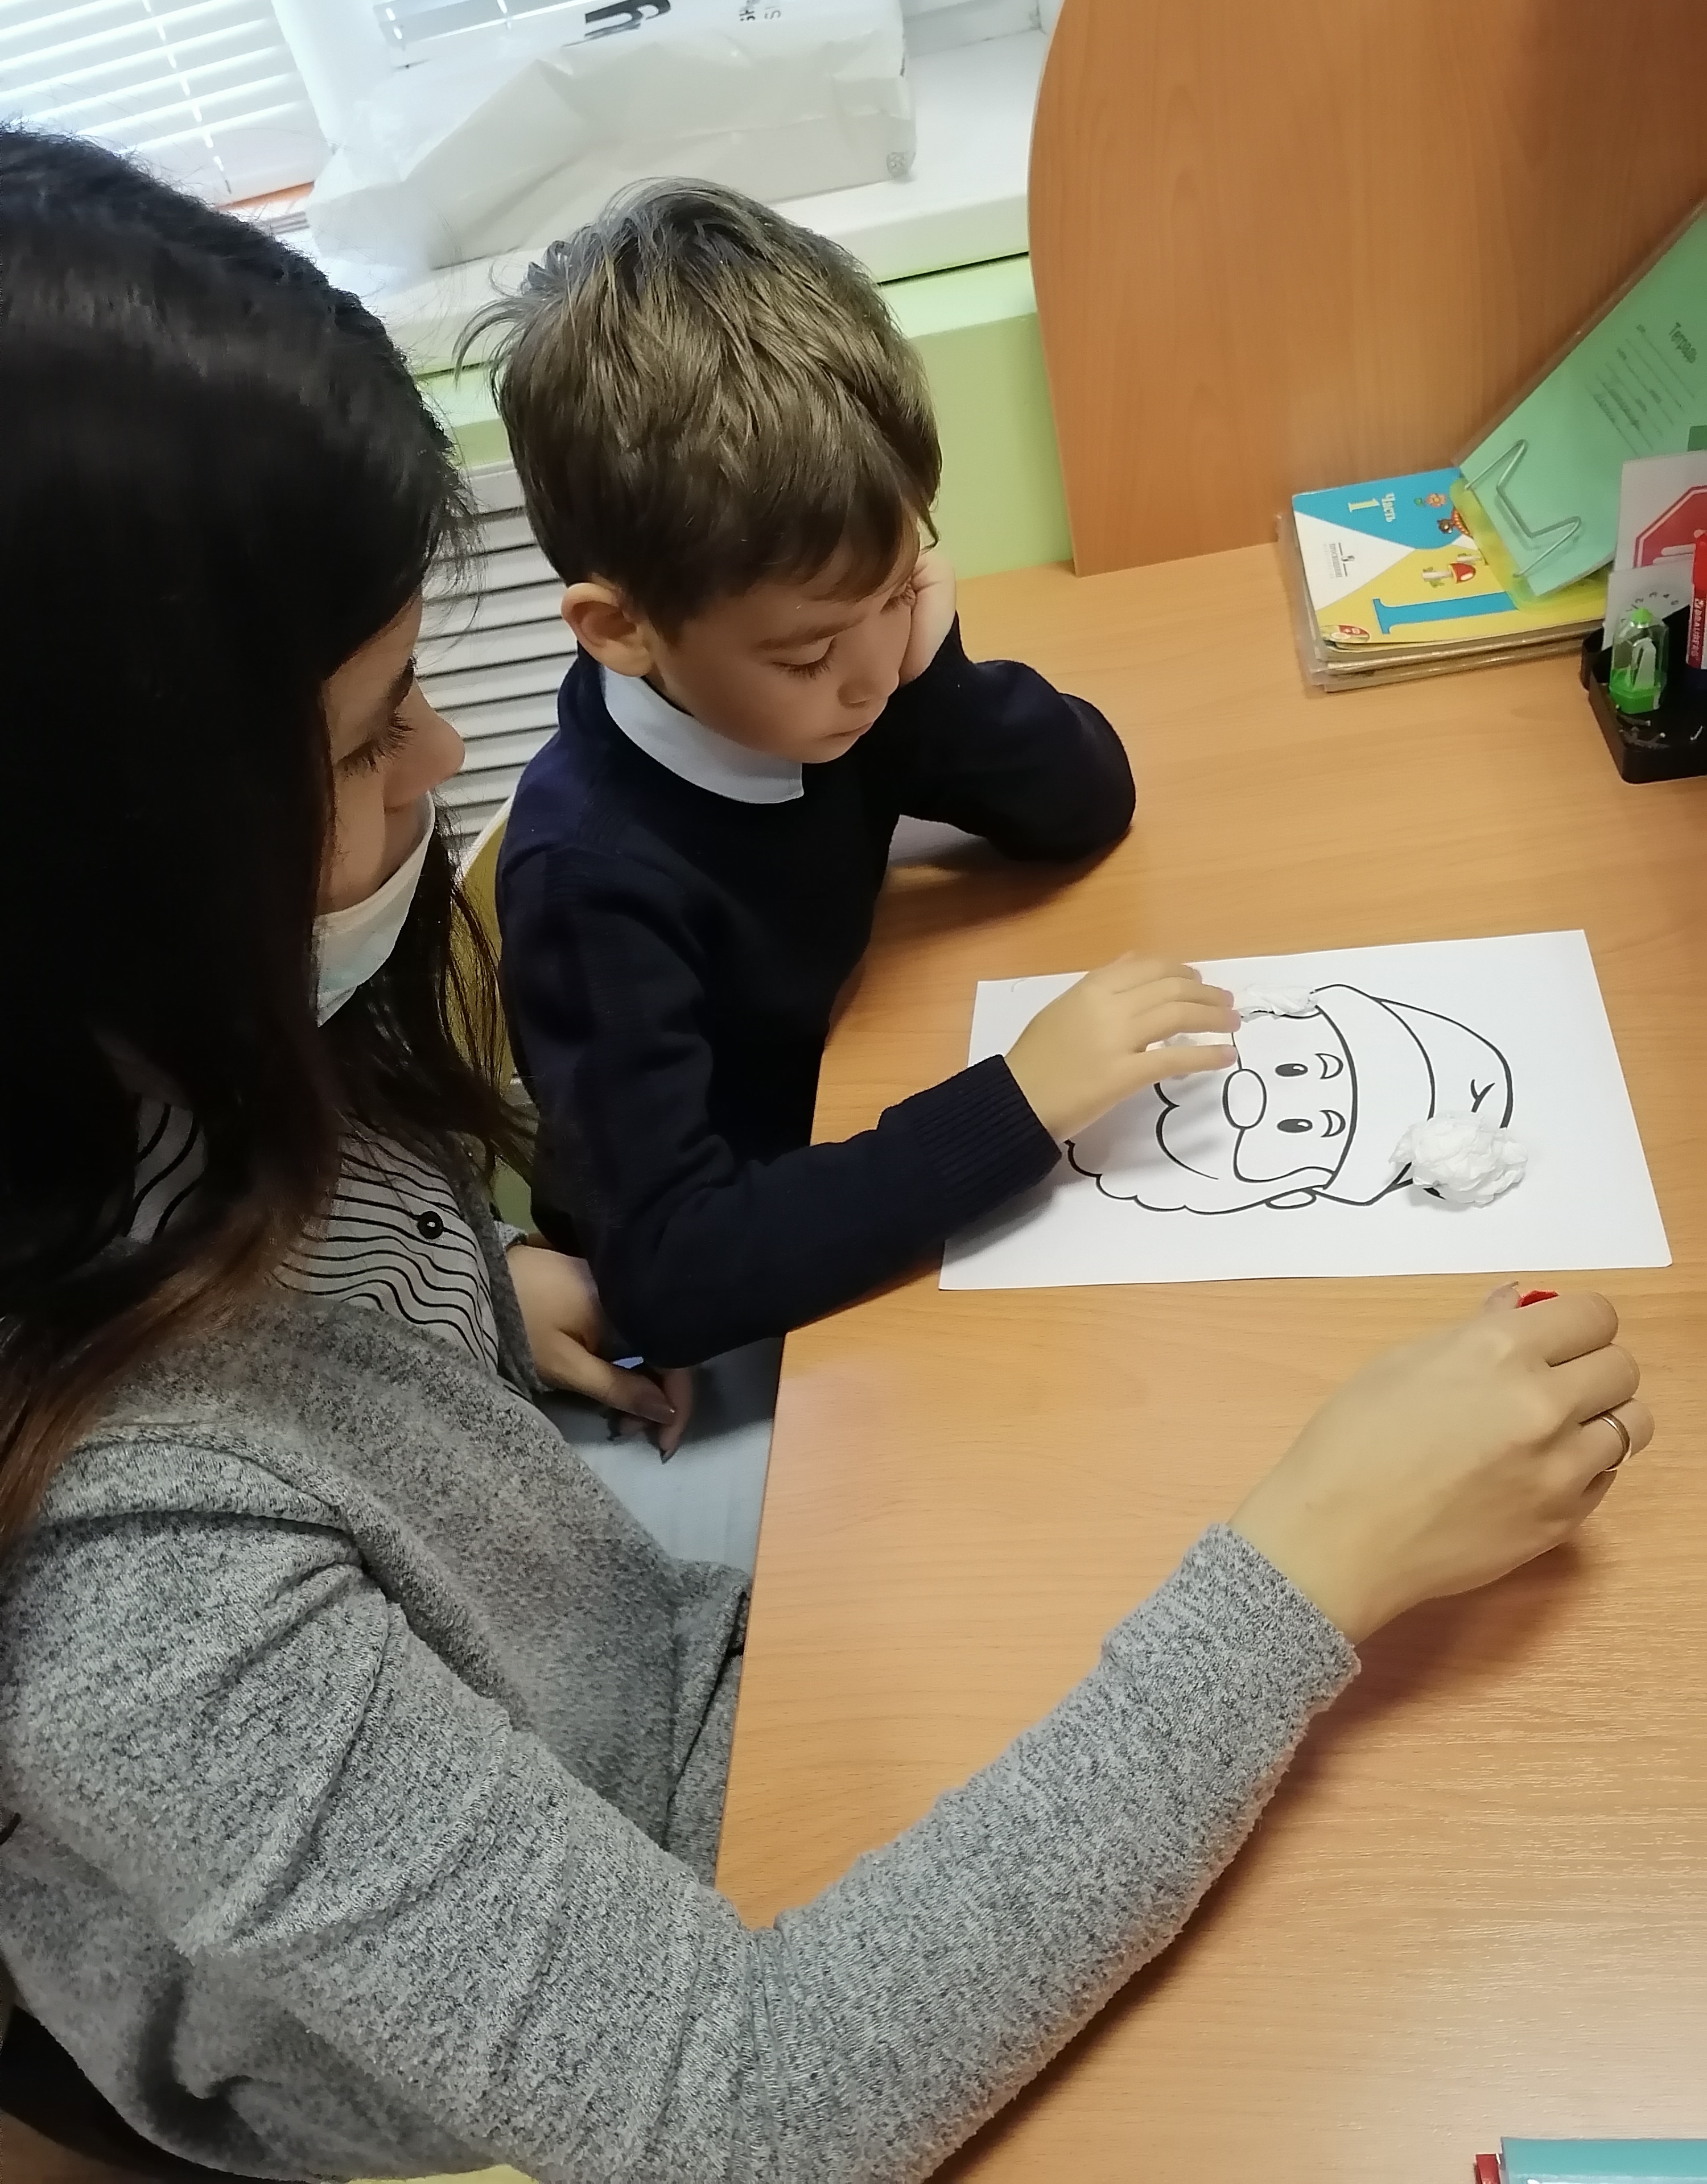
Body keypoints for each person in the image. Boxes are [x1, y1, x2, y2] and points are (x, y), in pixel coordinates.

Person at [0, 128, 1651, 2184]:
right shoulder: (124, 1583)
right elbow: (749, 2113)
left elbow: (330, 1305)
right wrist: (1321, 1558)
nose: (446, 760)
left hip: (613, 1629)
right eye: (366, 734)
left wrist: (467, 1300)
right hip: (647, 1921)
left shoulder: (188, 1074)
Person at [481, 182, 1243, 1368]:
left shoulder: (847, 687)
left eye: (900, 591)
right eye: (808, 652)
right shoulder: (588, 879)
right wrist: (1019, 1102)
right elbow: (673, 1270)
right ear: (621, 630)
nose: (873, 674)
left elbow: (1087, 805)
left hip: (852, 1127)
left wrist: (940, 676)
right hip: (743, 1284)